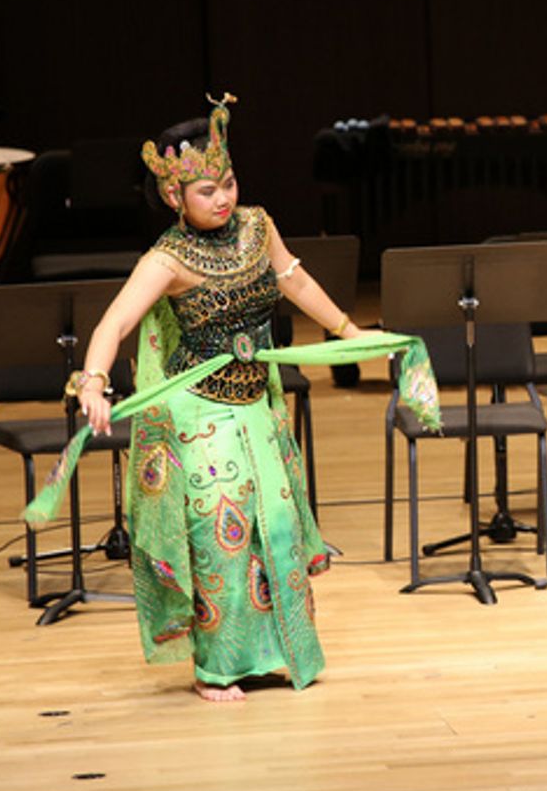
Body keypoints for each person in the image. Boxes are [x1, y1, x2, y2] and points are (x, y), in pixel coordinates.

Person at [23, 94, 438, 702]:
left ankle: (276, 653)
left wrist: (349, 332)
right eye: (207, 190)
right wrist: (93, 382)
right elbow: (115, 323)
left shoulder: (257, 226)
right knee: (223, 534)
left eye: (229, 183)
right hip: (199, 409)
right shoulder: (167, 259)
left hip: (255, 402)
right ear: (174, 196)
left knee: (277, 525)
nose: (223, 198)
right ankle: (216, 668)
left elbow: (293, 278)